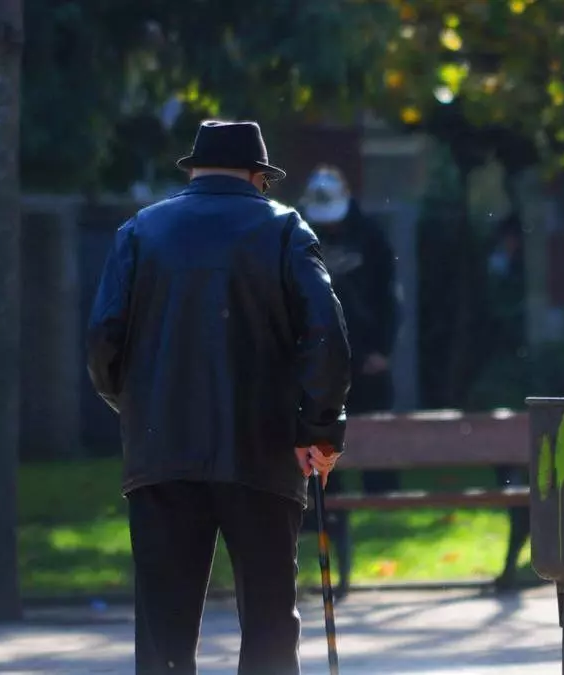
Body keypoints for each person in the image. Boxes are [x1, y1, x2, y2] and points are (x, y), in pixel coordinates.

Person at [86, 120, 353, 675]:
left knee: (163, 631)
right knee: (269, 622)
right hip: (263, 448)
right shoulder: (284, 228)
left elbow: (102, 342)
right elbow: (326, 335)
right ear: (259, 177)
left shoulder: (140, 231)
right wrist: (319, 429)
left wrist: (137, 408)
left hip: (161, 450)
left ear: (195, 170)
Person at [299, 165, 401, 496]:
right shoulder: (298, 233)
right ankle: (328, 506)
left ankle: (383, 500)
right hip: (317, 357)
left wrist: (382, 349)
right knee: (321, 434)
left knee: (377, 437)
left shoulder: (370, 236)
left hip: (366, 353)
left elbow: (388, 296)